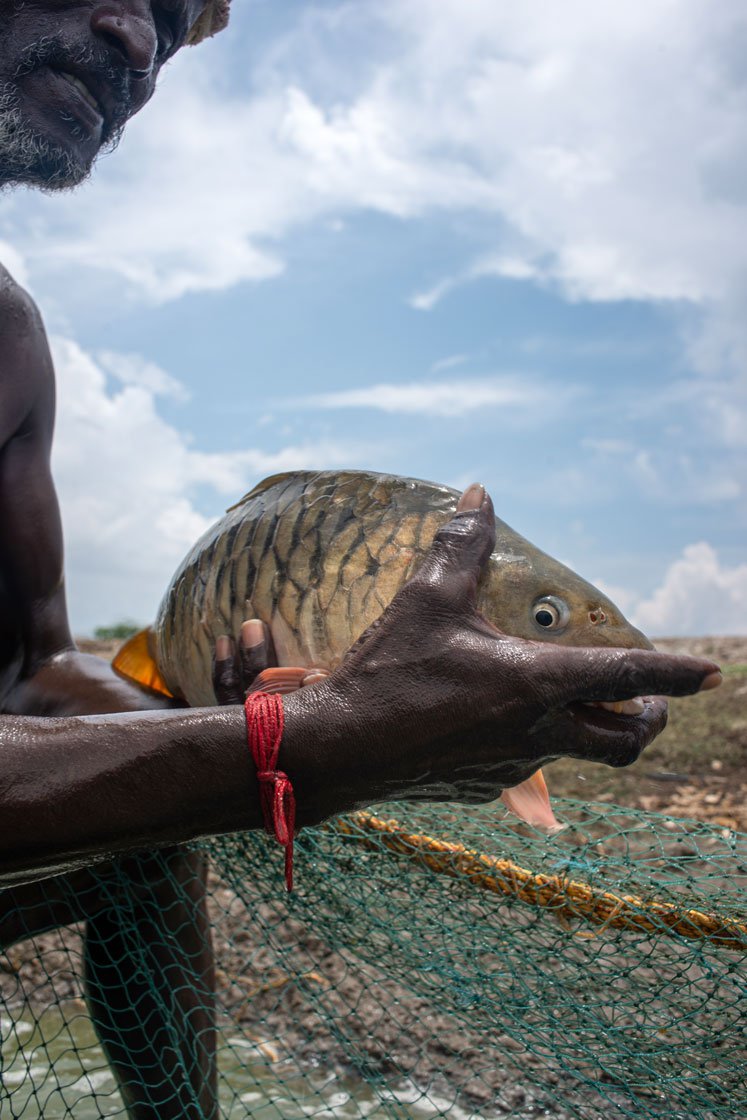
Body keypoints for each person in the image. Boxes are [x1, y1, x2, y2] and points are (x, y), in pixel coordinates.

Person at [0, 2, 722, 1117]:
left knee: (159, 824)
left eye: (171, 17)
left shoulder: (10, 345)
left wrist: (257, 722)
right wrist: (294, 750)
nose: (139, 41)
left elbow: (36, 669)